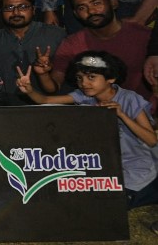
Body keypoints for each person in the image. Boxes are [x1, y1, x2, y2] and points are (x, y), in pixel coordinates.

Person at [16, 50, 158, 209]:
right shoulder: (85, 96)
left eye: (91, 77)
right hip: (108, 168)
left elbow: (152, 140)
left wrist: (121, 115)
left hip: (138, 169)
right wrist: (29, 90)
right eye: (79, 78)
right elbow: (46, 100)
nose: (84, 83)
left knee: (108, 207)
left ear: (111, 78)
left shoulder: (129, 98)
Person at [51, 0, 151, 103]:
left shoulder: (145, 36)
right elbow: (54, 85)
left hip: (144, 111)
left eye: (96, 3)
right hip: (96, 112)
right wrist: (43, 74)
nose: (91, 11)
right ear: (76, 14)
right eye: (82, 8)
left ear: (113, 3)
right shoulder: (72, 44)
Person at [0, 0, 67, 105]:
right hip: (8, 107)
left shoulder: (56, 35)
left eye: (23, 7)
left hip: (51, 105)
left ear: (33, 9)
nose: (16, 12)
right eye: (9, 7)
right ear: (1, 12)